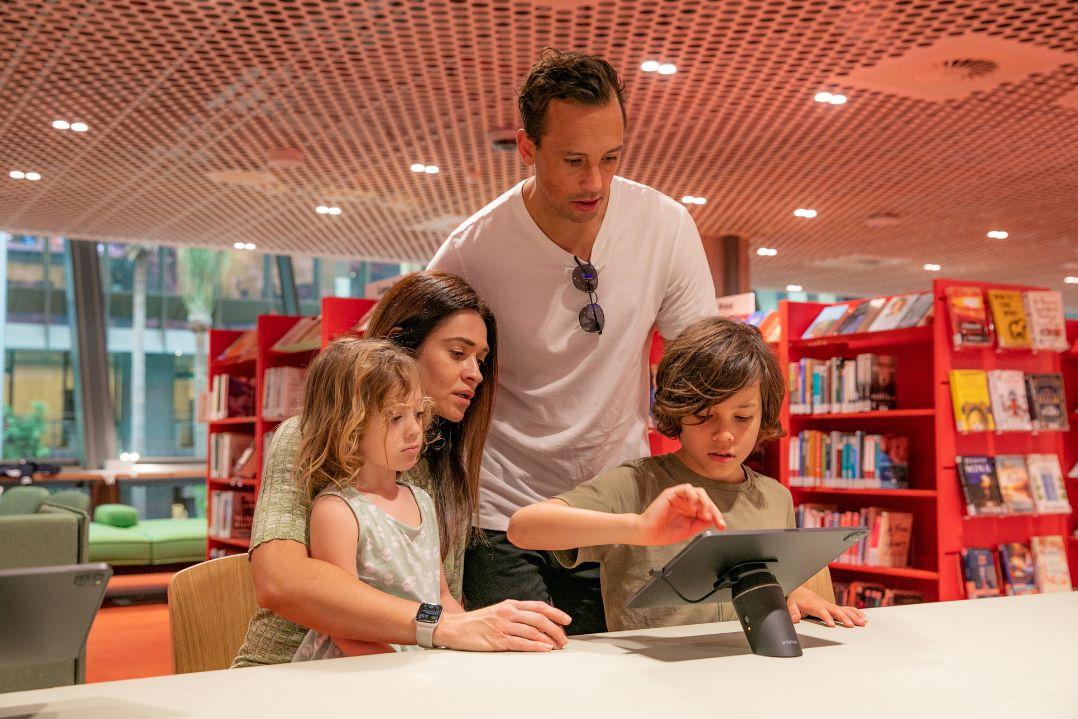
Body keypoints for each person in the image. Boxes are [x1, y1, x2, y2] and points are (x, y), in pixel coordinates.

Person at [428, 49, 716, 633]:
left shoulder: (666, 225)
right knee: (521, 687)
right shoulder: (471, 249)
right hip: (500, 513)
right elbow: (410, 362)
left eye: (611, 158)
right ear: (527, 148)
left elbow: (706, 370)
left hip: (612, 508)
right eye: (574, 160)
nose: (596, 182)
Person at [233, 271, 569, 667]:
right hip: (297, 670)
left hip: (407, 667)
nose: (475, 373)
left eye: (481, 359)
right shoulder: (311, 436)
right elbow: (280, 581)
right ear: (401, 347)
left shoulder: (437, 458)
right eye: (457, 353)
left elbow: (440, 596)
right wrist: (439, 626)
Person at [507, 317, 866, 632]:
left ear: (764, 415)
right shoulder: (638, 483)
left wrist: (794, 590)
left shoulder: (774, 496)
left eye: (742, 418)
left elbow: (765, 579)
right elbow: (524, 528)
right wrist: (638, 528)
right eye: (704, 415)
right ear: (677, 410)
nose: (725, 435)